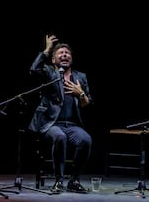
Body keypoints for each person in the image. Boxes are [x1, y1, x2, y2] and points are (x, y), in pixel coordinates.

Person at [28, 34, 93, 194]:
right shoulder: (49, 73)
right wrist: (47, 50)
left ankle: (74, 180)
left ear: (71, 58)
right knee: (60, 137)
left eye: (67, 53)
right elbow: (33, 70)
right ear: (53, 60)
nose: (65, 55)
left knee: (86, 140)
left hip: (71, 125)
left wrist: (81, 94)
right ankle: (59, 181)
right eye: (60, 53)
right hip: (51, 123)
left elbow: (87, 103)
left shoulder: (80, 77)